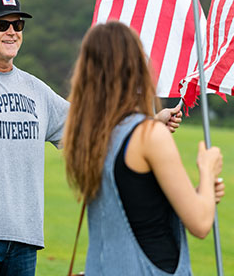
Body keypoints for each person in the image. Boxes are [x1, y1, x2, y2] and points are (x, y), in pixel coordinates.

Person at [0, 0, 183, 276]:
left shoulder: (36, 89)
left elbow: (91, 130)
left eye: (18, 25)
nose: (11, 32)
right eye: (2, 24)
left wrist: (149, 123)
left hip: (25, 238)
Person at [63, 21, 225, 276]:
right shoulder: (150, 136)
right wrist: (207, 170)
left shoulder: (87, 134)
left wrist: (200, 195)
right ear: (134, 68)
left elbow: (138, 207)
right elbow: (201, 223)